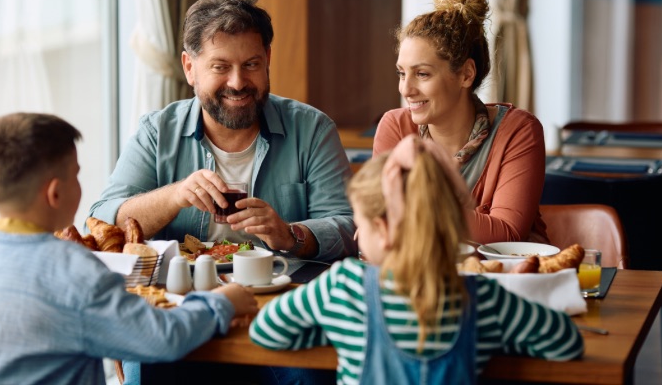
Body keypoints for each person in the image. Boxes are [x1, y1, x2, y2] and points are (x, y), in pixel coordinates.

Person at [0, 113, 258, 384]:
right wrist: (222, 302)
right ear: (55, 193)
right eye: (76, 175)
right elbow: (161, 338)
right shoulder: (75, 270)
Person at [250, 135, 584, 384]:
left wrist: (331, 331)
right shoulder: (484, 299)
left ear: (382, 229)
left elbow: (265, 331)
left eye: (360, 225)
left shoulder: (343, 289)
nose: (356, 236)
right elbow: (566, 342)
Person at [90, 0, 355, 261]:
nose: (238, 83)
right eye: (220, 67)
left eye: (251, 64)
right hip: (183, 295)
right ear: (189, 68)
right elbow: (102, 223)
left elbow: (349, 229)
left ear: (268, 60)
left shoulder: (312, 130)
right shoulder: (157, 133)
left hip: (286, 293)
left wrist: (290, 235)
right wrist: (175, 196)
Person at [373, 0, 548, 244]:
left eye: (422, 74)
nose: (405, 89)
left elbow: (506, 235)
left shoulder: (518, 131)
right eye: (401, 73)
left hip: (502, 280)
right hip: (421, 281)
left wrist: (410, 207)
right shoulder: (395, 127)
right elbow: (382, 223)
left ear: (466, 74)